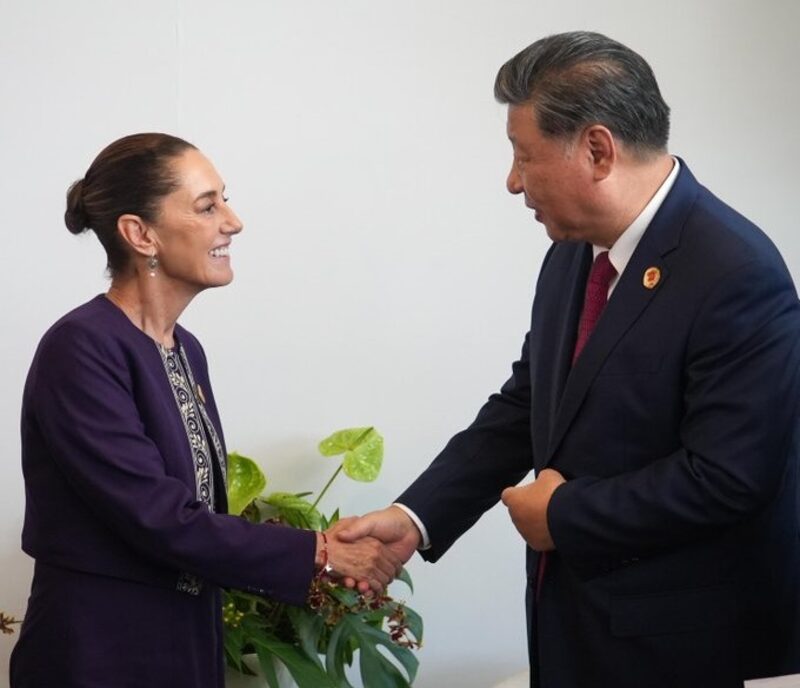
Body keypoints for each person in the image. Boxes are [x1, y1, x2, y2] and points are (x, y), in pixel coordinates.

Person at [338, 31, 800, 687]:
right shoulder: (572, 254)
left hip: (679, 649)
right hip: (574, 633)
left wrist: (564, 516)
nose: (512, 181)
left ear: (597, 150)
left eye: (524, 156)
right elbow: (527, 404)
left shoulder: (733, 270)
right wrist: (417, 517)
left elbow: (728, 477)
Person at [10, 133, 401, 688]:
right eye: (207, 205)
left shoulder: (184, 349)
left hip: (185, 637)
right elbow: (158, 516)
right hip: (101, 649)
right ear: (139, 233)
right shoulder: (81, 347)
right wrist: (321, 553)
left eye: (224, 199)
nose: (233, 221)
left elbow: (199, 515)